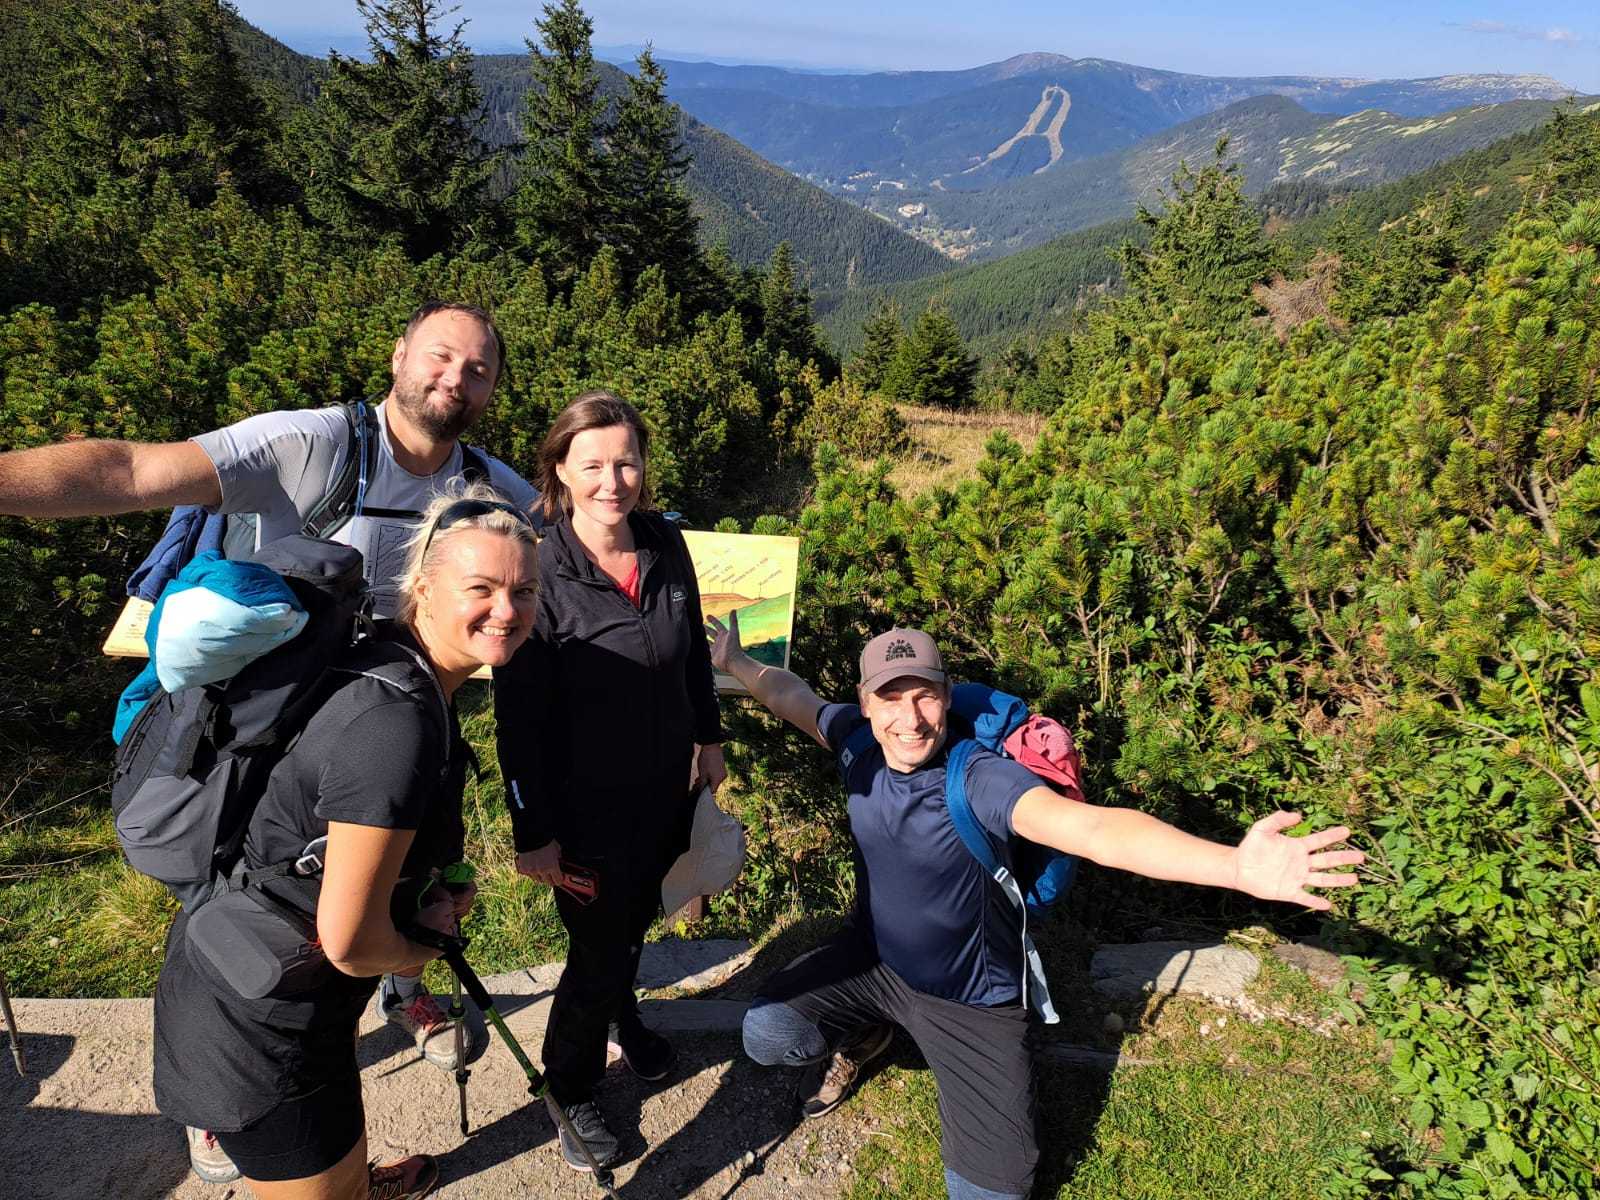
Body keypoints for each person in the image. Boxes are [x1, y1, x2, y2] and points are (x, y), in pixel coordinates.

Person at [0, 301, 537, 1177]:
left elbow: (570, 534)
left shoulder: (484, 484)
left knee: (364, 909)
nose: (456, 378)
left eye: (479, 370)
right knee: (241, 914)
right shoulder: (311, 445)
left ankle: (376, 1050)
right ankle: (227, 1102)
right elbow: (132, 468)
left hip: (381, 730)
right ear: (398, 354)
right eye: (442, 356)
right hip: (251, 745)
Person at [707, 619, 1366, 1200]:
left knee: (993, 1192)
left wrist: (1234, 867)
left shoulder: (979, 778)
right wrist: (735, 661)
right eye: (890, 697)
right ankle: (867, 1033)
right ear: (864, 703)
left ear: (946, 695)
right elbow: (791, 696)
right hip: (874, 962)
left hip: (973, 999)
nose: (910, 719)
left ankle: (914, 1046)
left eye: (924, 695)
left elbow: (1097, 831)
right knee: (768, 1034)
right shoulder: (856, 744)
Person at [151, 485, 540, 1200]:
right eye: (481, 588)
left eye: (524, 590)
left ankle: (357, 1182)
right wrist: (420, 949)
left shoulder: (394, 663)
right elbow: (353, 943)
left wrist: (422, 895)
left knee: (338, 1153)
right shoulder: (396, 724)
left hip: (266, 975)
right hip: (261, 1025)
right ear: (423, 587)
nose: (508, 610)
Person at [493, 390, 726, 1174]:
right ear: (560, 468)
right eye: (591, 464)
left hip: (663, 788)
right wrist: (533, 832)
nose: (612, 481)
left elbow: (691, 649)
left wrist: (709, 737)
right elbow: (518, 721)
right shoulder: (539, 571)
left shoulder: (663, 541)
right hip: (583, 811)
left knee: (631, 923)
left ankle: (624, 1017)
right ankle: (570, 1087)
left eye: (625, 462)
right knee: (596, 950)